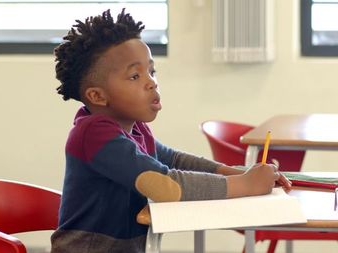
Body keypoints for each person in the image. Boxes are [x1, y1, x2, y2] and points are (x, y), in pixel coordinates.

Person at [50, 9, 291, 253]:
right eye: (135, 75)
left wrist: (239, 173)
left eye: (151, 72)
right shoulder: (94, 134)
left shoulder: (134, 128)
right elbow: (165, 185)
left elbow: (174, 159)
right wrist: (246, 185)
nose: (151, 82)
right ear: (97, 96)